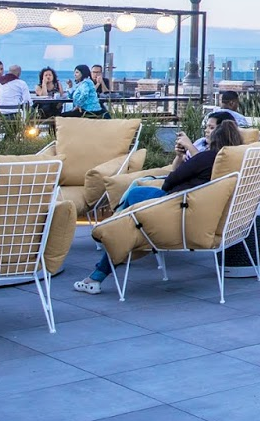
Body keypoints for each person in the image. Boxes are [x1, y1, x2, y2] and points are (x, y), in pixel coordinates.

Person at [73, 113, 244, 294]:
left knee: (131, 204)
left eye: (211, 128)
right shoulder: (227, 161)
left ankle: (106, 240)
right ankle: (107, 243)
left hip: (174, 206)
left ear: (218, 133)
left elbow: (170, 180)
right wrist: (181, 157)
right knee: (131, 206)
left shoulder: (206, 158)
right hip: (187, 208)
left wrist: (190, 155)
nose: (207, 131)